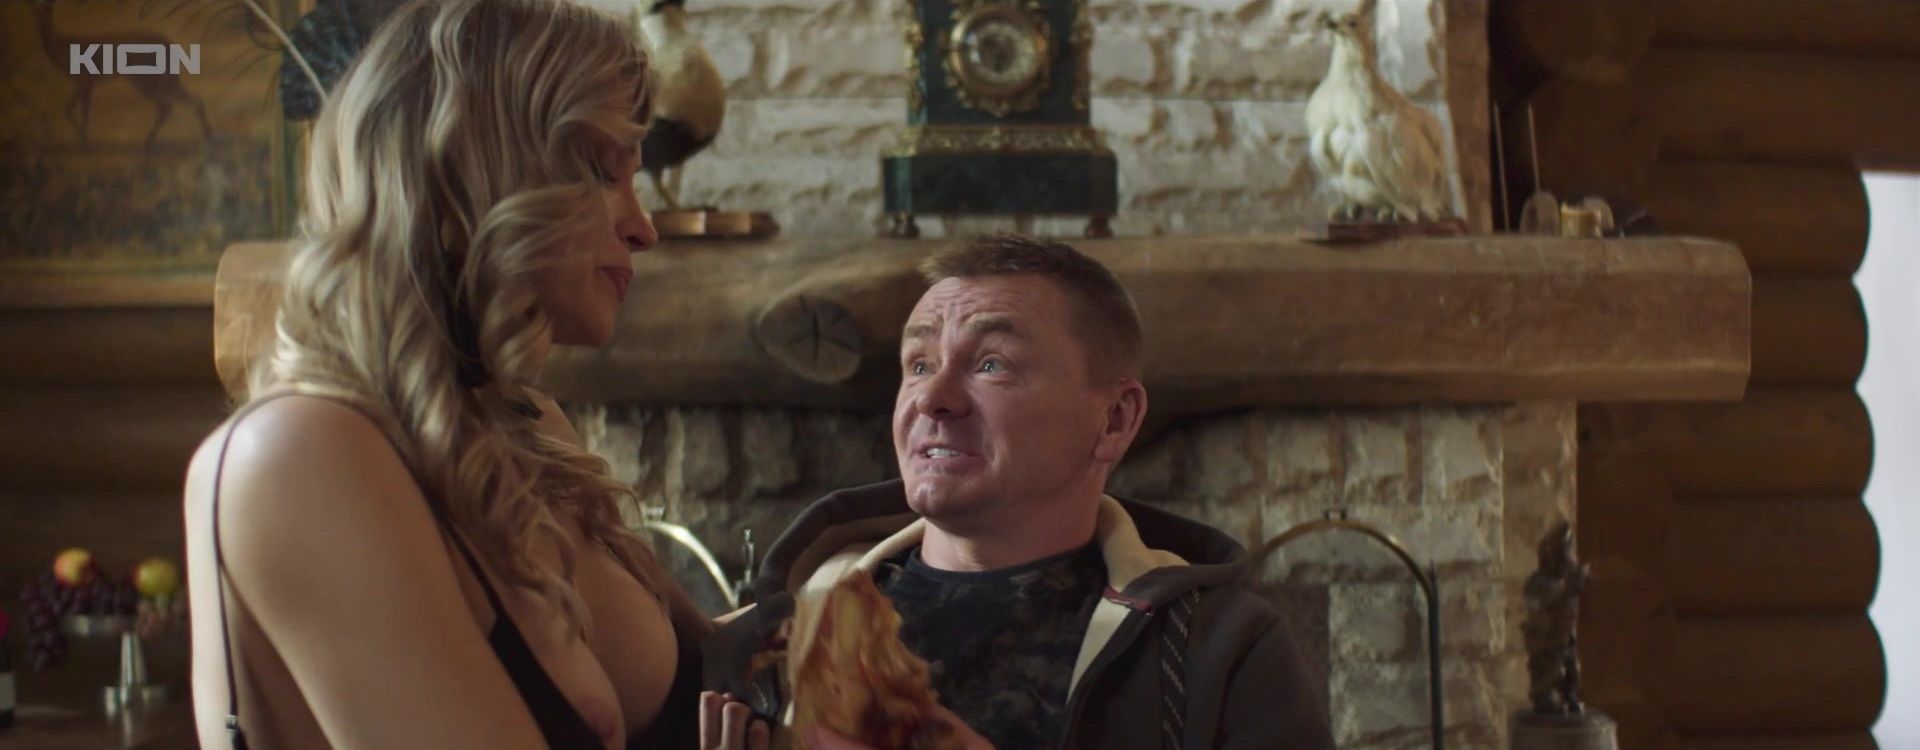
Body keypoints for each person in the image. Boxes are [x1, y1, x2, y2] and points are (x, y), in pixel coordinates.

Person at [180, 1, 754, 747]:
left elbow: (715, 663)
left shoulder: (522, 421)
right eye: (600, 172)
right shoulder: (299, 455)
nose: (642, 227)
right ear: (468, 172)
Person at [706, 234, 1335, 750]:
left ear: (1114, 420)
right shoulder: (777, 639)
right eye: (919, 365)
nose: (932, 398)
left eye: (991, 364)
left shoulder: (1219, 651)